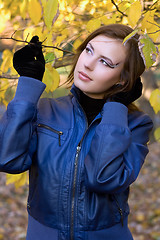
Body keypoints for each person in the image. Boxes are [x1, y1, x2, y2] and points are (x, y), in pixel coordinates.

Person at [0, 24, 153, 240]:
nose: (88, 64)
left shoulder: (136, 124)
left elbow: (103, 179)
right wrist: (28, 84)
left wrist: (116, 107)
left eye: (105, 62)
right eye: (88, 50)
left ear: (122, 79)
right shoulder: (45, 110)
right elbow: (7, 159)